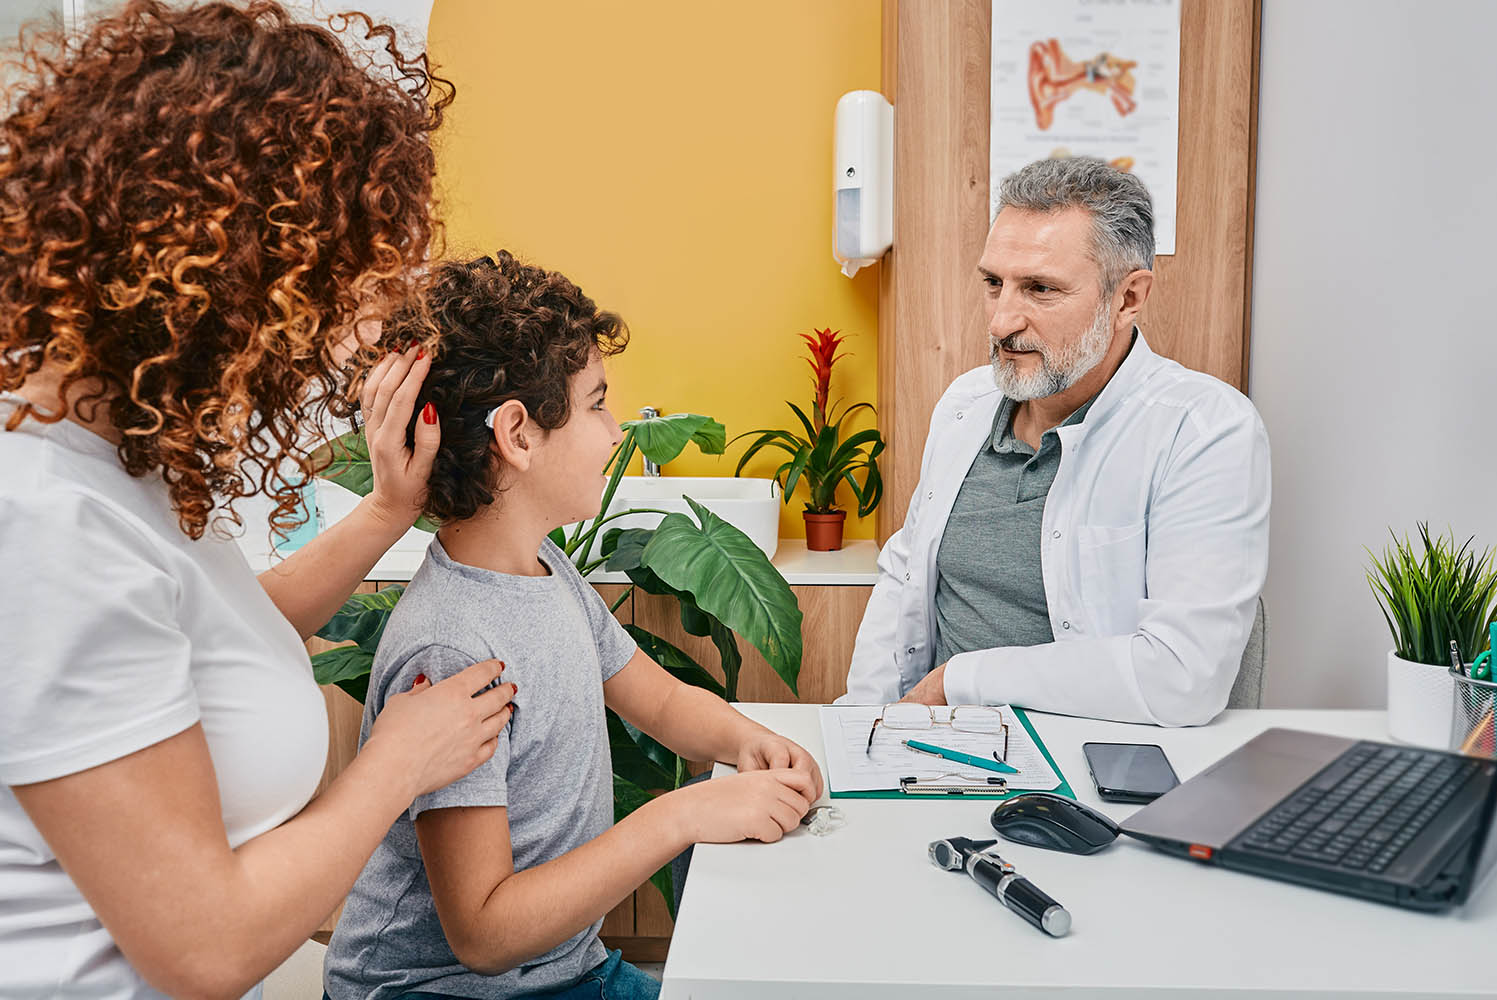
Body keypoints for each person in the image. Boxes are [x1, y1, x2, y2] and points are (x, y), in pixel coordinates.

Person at [0, 4, 516, 998]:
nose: (340, 337)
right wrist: (397, 763)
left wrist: (383, 513)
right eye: (330, 294)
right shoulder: (44, 518)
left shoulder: (118, 459)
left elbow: (200, 650)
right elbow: (204, 947)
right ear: (230, 275)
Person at [323, 253, 823, 1000]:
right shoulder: (453, 647)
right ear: (519, 435)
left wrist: (745, 739)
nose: (615, 431)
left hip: (562, 970)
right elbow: (484, 934)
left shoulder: (546, 570)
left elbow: (658, 702)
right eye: (595, 404)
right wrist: (680, 816)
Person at [841, 156, 1271, 726]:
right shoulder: (965, 404)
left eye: (1040, 289)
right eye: (994, 284)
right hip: (933, 752)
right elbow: (904, 574)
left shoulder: (1205, 429)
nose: (1000, 322)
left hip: (1087, 770)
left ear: (1128, 298)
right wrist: (862, 724)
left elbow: (1181, 676)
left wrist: (961, 681)